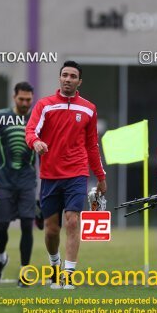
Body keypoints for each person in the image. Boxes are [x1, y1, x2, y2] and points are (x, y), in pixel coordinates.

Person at [25, 60, 107, 289]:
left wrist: (100, 177)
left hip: (77, 173)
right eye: (65, 75)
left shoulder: (88, 108)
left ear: (79, 81)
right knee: (52, 230)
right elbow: (30, 131)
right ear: (59, 78)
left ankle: (69, 276)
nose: (68, 79)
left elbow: (92, 146)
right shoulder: (45, 105)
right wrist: (36, 142)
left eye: (73, 76)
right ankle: (54, 264)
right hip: (50, 175)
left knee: (72, 221)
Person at [0, 82, 37, 287]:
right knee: (1, 227)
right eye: (21, 99)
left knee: (27, 226)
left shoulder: (37, 119)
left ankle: (24, 272)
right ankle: (2, 257)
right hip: (3, 181)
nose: (24, 103)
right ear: (14, 97)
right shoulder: (0, 117)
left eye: (28, 99)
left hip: (28, 182)